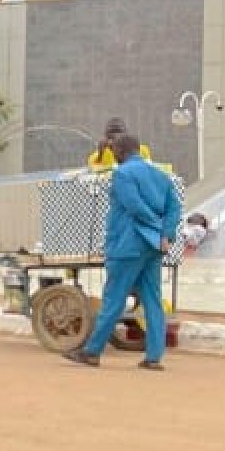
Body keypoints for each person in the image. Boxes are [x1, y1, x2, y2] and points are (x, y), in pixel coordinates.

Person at [66, 131, 182, 370]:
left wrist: (154, 226)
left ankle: (92, 351)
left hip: (127, 245)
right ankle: (153, 357)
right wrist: (164, 234)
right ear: (138, 149)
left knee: (114, 299)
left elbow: (134, 206)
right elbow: (174, 208)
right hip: (153, 246)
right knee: (152, 300)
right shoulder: (162, 176)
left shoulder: (122, 174)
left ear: (119, 153)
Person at [86, 117, 153, 173]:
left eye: (119, 132)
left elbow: (147, 167)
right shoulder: (99, 154)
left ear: (126, 134)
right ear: (106, 136)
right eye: (111, 133)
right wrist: (100, 154)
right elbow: (92, 170)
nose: (116, 136)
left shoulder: (141, 149)